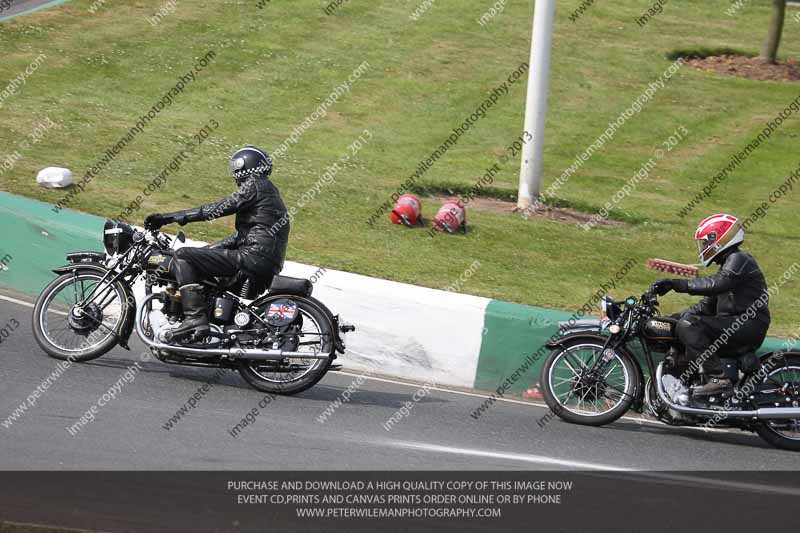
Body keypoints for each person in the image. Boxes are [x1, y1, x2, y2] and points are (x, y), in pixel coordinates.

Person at [144, 146, 289, 340]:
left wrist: (169, 218)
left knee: (183, 255)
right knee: (194, 258)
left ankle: (194, 318)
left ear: (243, 167)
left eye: (235, 170)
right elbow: (240, 237)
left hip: (252, 257)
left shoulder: (254, 185)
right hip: (261, 259)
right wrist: (207, 251)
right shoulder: (268, 192)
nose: (235, 177)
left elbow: (217, 209)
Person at [652, 214, 770, 396]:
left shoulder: (740, 260)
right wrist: (671, 319)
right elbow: (705, 307)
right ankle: (685, 390)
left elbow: (718, 283)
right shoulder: (727, 268)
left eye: (707, 242)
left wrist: (677, 284)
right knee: (684, 323)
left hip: (748, 324)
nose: (704, 247)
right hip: (733, 324)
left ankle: (718, 379)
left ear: (720, 238)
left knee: (690, 325)